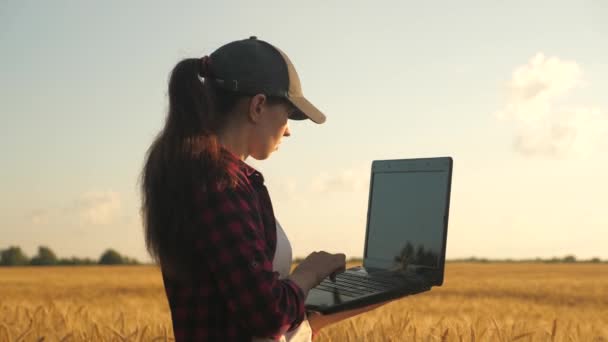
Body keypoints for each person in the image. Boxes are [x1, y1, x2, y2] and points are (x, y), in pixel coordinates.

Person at [141, 36, 389, 341]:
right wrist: (308, 274)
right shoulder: (220, 185)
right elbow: (267, 315)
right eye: (287, 114)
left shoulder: (201, 174)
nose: (288, 129)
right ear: (258, 106)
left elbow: (241, 311)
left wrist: (338, 296)